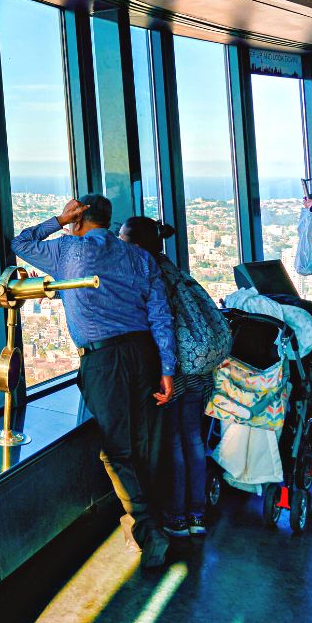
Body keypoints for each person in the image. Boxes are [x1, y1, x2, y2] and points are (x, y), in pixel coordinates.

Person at [12, 194, 176, 568]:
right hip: (145, 353)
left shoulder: (69, 251)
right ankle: (156, 519)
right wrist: (167, 369)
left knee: (117, 449)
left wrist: (58, 219)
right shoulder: (139, 256)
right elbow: (161, 316)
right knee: (146, 441)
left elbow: (20, 243)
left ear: (79, 217)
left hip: (104, 360)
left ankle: (149, 531)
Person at [120, 216, 232, 539]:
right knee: (194, 440)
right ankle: (198, 514)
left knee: (174, 445)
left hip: (175, 372)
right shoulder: (172, 268)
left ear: (138, 246)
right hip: (197, 370)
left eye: (124, 240)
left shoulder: (147, 273)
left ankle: (176, 517)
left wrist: (165, 371)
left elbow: (161, 325)